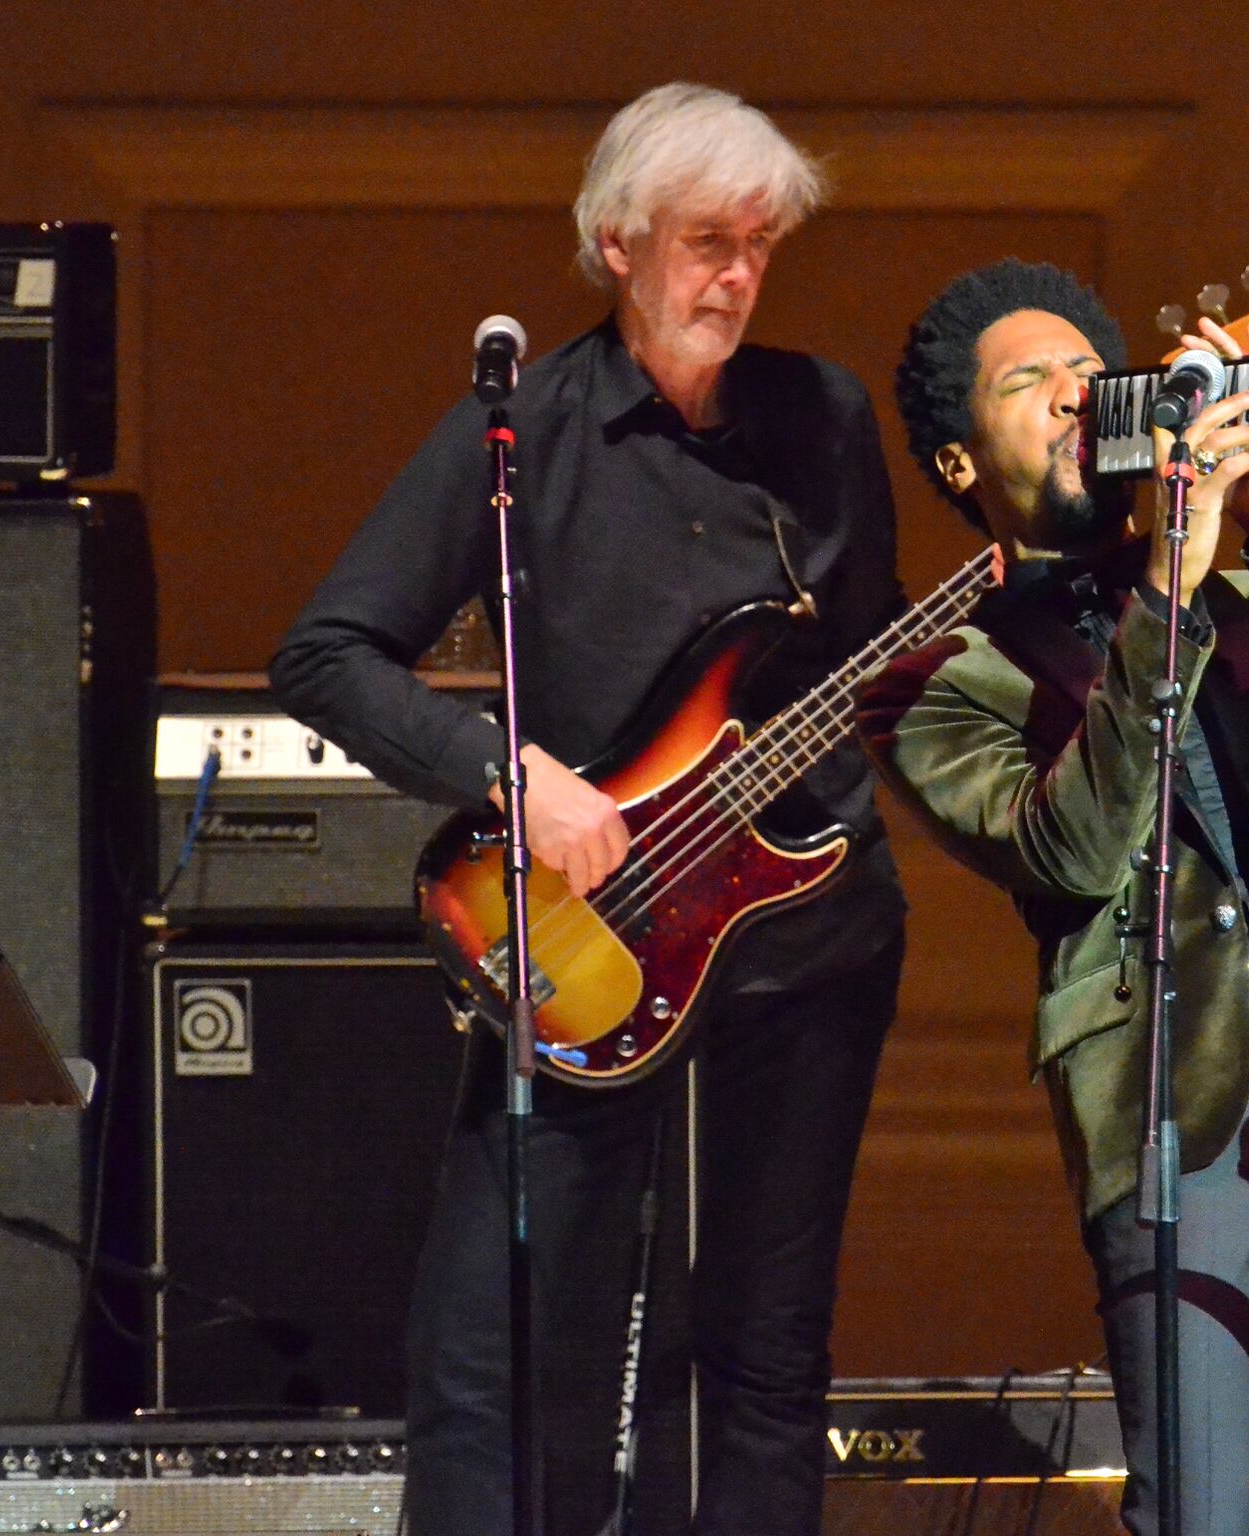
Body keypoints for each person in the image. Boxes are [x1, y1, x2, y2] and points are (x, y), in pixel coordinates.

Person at [269, 83, 907, 1536]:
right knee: (501, 1341)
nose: (735, 278)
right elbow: (322, 656)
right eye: (704, 243)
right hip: (585, 938)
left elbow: (866, 665)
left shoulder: (820, 416)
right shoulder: (524, 435)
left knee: (763, 1343)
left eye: (758, 244)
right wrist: (513, 777)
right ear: (615, 242)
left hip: (800, 946)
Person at [858, 259, 1249, 1536]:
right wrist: (1165, 594)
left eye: (1089, 372)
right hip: (1167, 1102)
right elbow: (1070, 850)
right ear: (961, 463)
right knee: (1195, 1511)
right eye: (1030, 383)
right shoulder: (931, 680)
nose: (1077, 398)